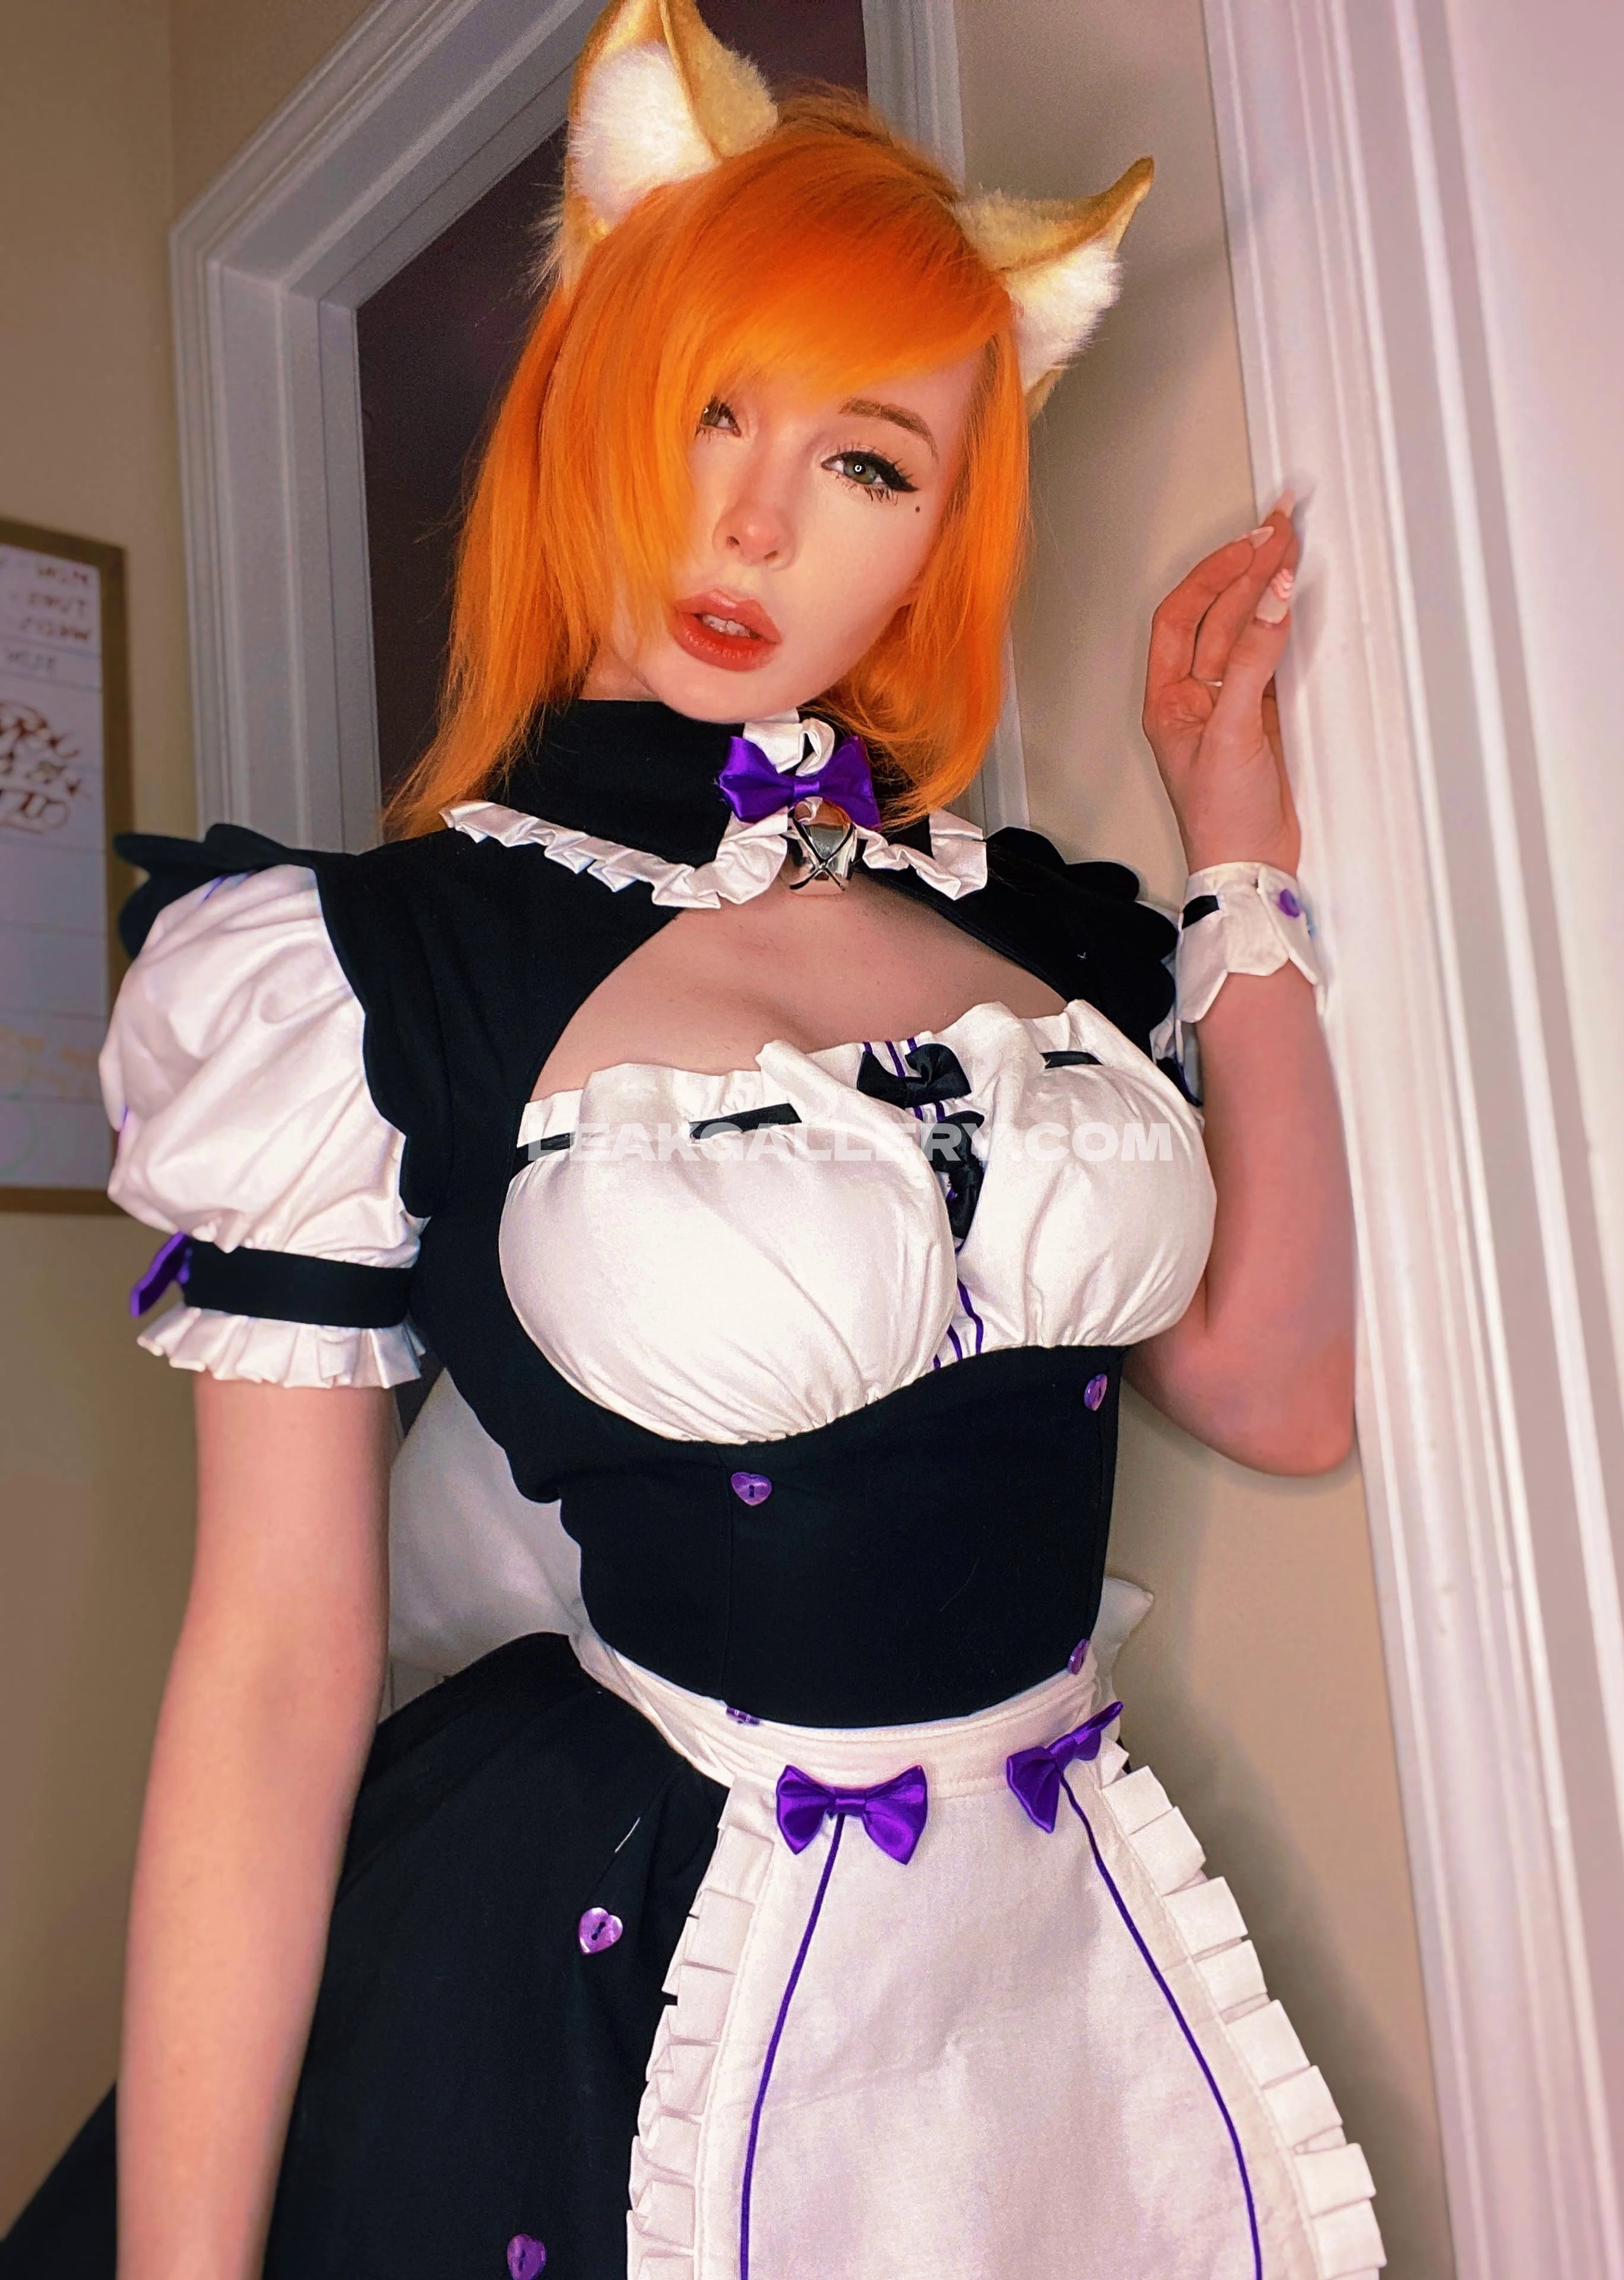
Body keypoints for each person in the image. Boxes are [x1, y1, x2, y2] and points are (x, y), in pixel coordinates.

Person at [2, 4, 1382, 2275]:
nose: (756, 519)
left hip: (1050, 1973)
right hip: (613, 1980)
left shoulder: (1041, 927)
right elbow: (269, 1677)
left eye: (869, 462)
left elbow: (1279, 1388)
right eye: (710, 409)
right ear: (594, 407)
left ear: (940, 534)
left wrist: (1242, 852)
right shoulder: (378, 970)